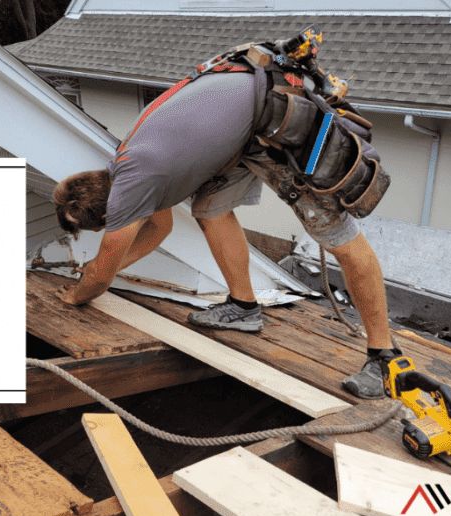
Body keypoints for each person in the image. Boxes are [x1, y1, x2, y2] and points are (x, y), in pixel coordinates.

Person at [52, 64, 399, 399]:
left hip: (278, 118)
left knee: (340, 240)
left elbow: (98, 280)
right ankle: (244, 307)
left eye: (107, 227)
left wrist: (80, 290)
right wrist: (107, 268)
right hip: (249, 123)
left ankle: (384, 357)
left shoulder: (132, 187)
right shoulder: (131, 163)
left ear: (108, 214)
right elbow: (160, 227)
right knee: (210, 208)